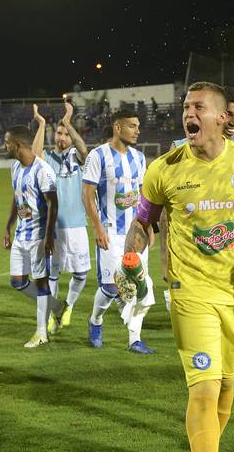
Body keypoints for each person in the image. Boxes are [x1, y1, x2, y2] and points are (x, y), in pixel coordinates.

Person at [116, 82, 234, 452]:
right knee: (203, 388)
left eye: (198, 107)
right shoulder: (164, 169)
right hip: (190, 292)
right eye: (186, 107)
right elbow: (142, 222)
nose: (189, 114)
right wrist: (128, 262)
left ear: (221, 117)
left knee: (227, 384)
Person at [82, 109, 156, 354]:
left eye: (138, 126)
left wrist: (149, 227)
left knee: (137, 285)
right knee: (113, 288)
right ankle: (95, 320)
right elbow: (87, 195)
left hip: (135, 234)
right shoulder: (98, 156)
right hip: (111, 232)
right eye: (132, 126)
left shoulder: (139, 157)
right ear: (117, 126)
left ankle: (134, 339)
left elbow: (144, 196)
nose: (138, 130)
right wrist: (97, 227)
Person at [2, 125, 64, 347]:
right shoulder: (15, 168)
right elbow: (16, 198)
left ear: (18, 144)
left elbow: (52, 204)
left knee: (40, 282)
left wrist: (48, 237)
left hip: (39, 235)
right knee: (17, 282)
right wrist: (8, 226)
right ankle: (57, 307)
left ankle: (41, 333)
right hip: (21, 234)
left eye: (7, 142)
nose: (4, 146)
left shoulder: (43, 170)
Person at [31, 103, 90, 330]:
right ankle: (53, 311)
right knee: (52, 273)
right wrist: (42, 124)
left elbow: (84, 149)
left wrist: (68, 121)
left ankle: (69, 305)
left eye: (65, 133)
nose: (62, 137)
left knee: (81, 272)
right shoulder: (47, 158)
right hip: (53, 226)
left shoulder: (77, 157)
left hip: (76, 225)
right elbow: (35, 155)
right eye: (59, 133)